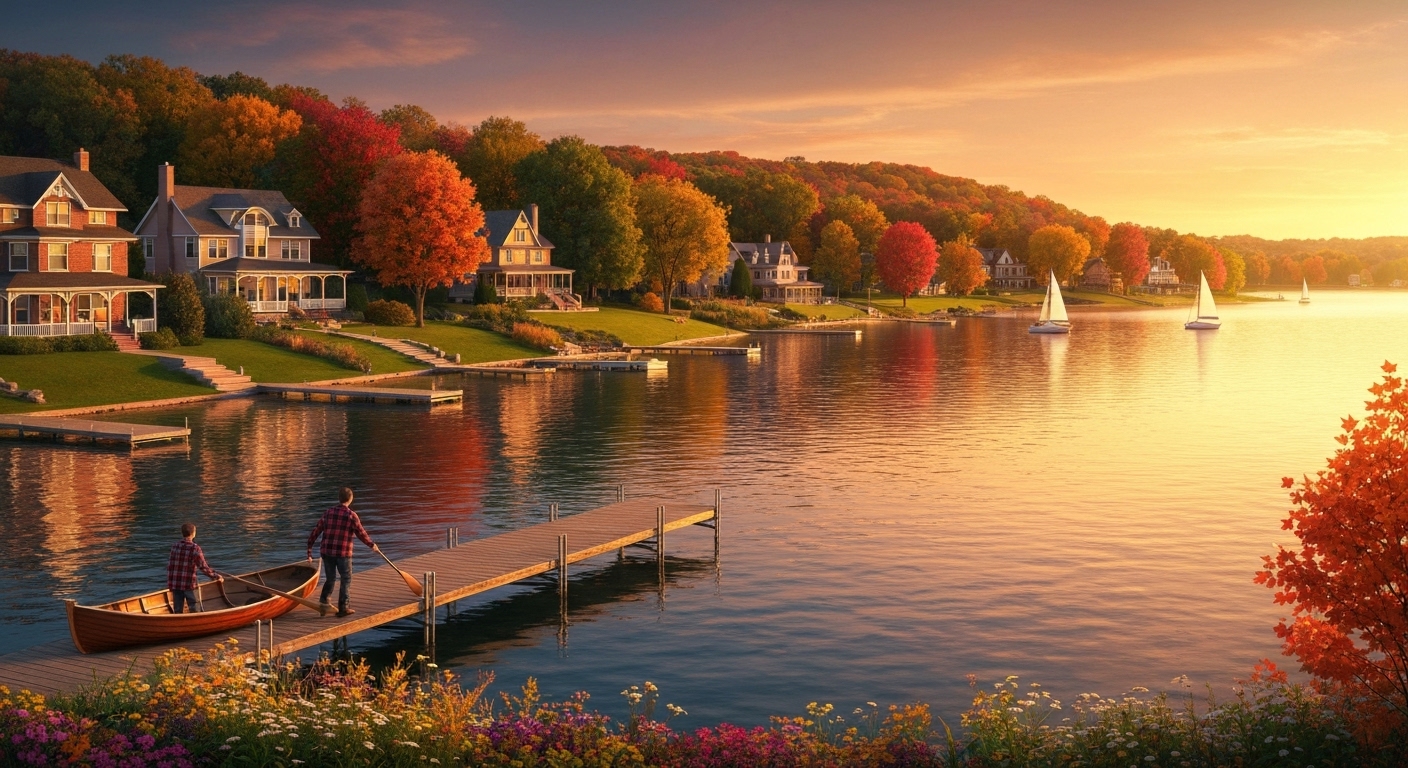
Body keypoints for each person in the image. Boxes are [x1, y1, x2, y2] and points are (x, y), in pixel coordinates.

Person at [307, 487, 379, 618]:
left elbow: (316, 531)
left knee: (330, 578)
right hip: (343, 553)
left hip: (327, 552)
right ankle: (343, 608)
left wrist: (309, 548)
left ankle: (323, 604)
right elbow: (361, 533)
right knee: (346, 579)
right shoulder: (351, 516)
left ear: (339, 498)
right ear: (351, 499)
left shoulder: (328, 512)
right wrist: (372, 545)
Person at [167, 523, 221, 614]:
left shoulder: (175, 546)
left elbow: (170, 566)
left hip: (176, 584)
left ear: (182, 533)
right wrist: (216, 576)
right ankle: (196, 624)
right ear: (193, 533)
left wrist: (170, 584)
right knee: (194, 609)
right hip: (189, 585)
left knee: (177, 611)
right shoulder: (195, 548)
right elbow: (203, 567)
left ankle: (178, 625)